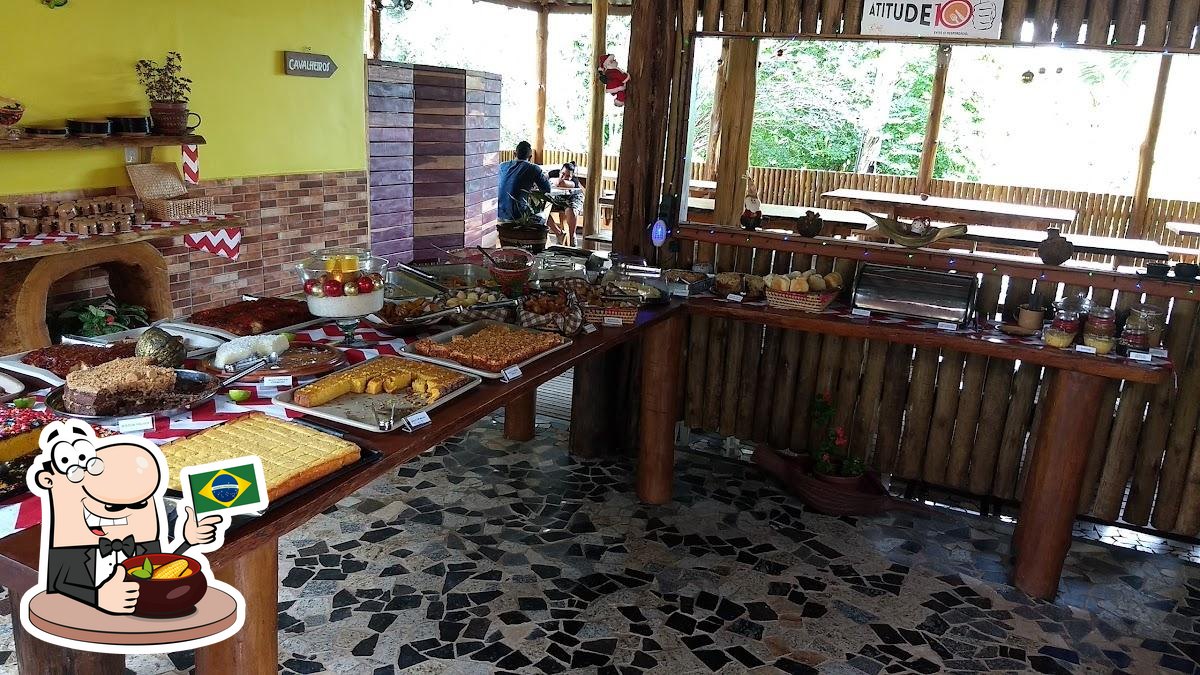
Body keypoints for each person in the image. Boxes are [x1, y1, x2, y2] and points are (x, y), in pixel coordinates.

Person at [497, 141, 552, 226]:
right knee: (543, 215)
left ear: (514, 154)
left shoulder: (501, 166)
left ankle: (558, 232)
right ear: (530, 157)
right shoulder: (533, 168)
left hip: (498, 214)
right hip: (518, 217)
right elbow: (547, 189)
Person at [549, 162, 583, 246]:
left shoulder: (574, 181)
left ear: (572, 176)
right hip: (559, 198)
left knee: (571, 210)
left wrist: (554, 179)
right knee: (542, 210)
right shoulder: (554, 173)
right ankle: (559, 233)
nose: (564, 177)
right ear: (560, 171)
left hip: (573, 198)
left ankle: (572, 236)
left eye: (568, 176)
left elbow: (561, 183)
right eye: (563, 174)